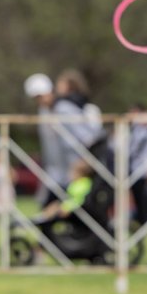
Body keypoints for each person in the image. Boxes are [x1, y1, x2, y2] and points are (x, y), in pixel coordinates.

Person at [25, 69, 101, 207]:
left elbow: (87, 136)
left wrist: (85, 161)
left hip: (75, 168)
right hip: (55, 172)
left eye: (41, 96)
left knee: (77, 207)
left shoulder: (64, 108)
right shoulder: (44, 112)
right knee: (49, 205)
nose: (40, 100)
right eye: (36, 98)